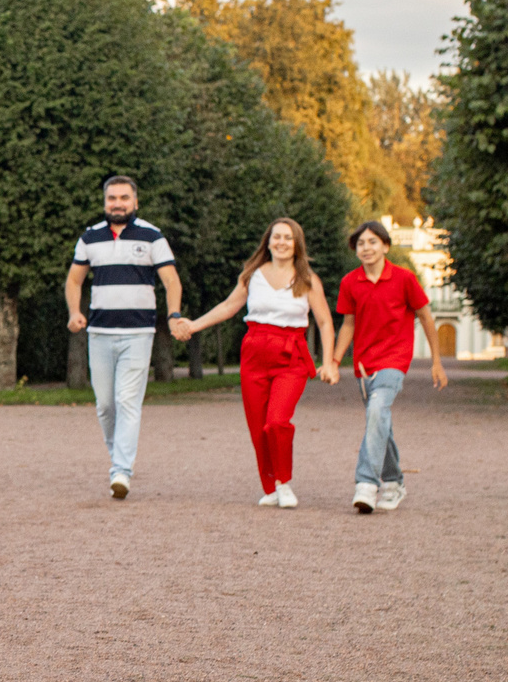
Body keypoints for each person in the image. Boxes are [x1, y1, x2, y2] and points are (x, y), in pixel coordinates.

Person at [169, 217, 339, 506]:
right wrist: (193, 325)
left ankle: (284, 482)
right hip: (255, 354)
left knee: (276, 421)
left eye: (288, 238)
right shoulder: (252, 275)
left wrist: (330, 362)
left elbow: (324, 321)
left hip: (290, 356)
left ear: (297, 244)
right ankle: (270, 486)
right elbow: (228, 306)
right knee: (258, 425)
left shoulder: (307, 279)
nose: (282, 243)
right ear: (268, 242)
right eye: (277, 237)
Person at [64, 175, 181, 500]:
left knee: (127, 401)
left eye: (124, 198)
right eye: (112, 198)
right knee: (105, 405)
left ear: (135, 202)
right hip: (99, 333)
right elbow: (74, 280)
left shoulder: (152, 236)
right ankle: (120, 459)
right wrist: (75, 311)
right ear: (105, 202)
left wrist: (173, 315)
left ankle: (121, 471)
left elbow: (172, 281)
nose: (118, 203)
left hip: (138, 333)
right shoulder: (90, 238)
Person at [335, 219, 447, 513]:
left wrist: (436, 362)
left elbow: (425, 318)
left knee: (376, 411)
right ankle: (395, 482)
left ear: (385, 246)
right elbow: (348, 324)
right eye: (361, 244)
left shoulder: (404, 279)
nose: (366, 248)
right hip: (363, 364)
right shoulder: (349, 283)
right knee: (380, 421)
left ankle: (366, 484)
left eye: (373, 242)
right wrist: (335, 361)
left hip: (394, 360)